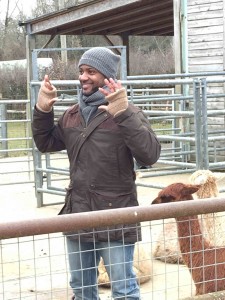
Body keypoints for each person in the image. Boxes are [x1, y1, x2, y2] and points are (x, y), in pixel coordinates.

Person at [32, 47, 161, 300]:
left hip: (114, 214)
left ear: (107, 76)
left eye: (91, 71)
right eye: (81, 71)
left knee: (123, 290)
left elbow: (150, 155)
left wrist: (123, 113)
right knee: (81, 289)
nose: (83, 77)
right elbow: (45, 143)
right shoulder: (71, 115)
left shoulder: (128, 112)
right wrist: (42, 110)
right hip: (78, 212)